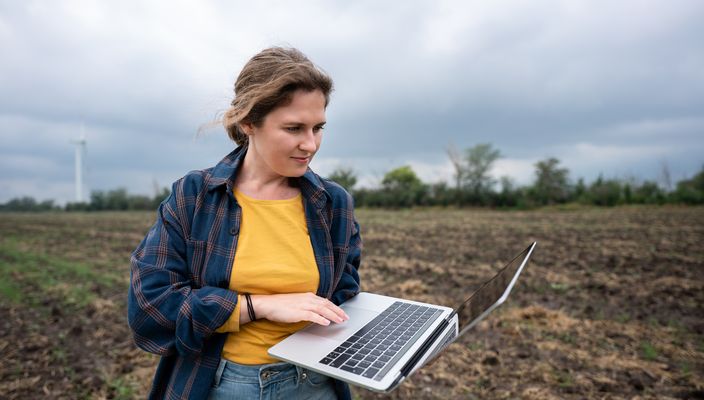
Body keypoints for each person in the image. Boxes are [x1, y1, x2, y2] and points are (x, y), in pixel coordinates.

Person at [128, 46, 362, 400]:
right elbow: (151, 308)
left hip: (317, 385)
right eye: (294, 128)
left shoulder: (333, 203)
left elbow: (344, 296)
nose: (310, 144)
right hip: (226, 386)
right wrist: (258, 306)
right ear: (248, 122)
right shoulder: (194, 197)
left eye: (318, 128)